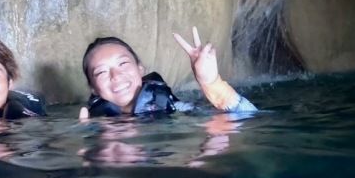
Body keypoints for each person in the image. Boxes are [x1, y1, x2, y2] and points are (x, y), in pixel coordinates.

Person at [79, 26, 257, 119]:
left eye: (123, 63)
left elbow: (249, 119)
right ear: (93, 88)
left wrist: (212, 83)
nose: (116, 76)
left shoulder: (172, 107)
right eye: (101, 72)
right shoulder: (93, 122)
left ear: (140, 68)